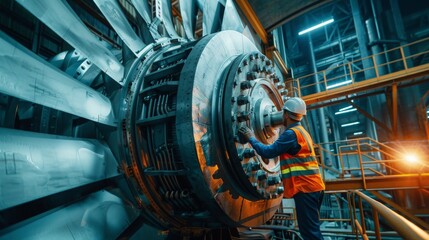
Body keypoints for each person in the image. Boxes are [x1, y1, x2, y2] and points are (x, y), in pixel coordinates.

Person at [238, 97, 325, 240]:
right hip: (313, 187)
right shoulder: (302, 131)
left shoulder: (291, 134)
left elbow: (268, 152)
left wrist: (251, 137)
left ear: (285, 114)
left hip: (306, 188)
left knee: (310, 234)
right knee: (311, 230)